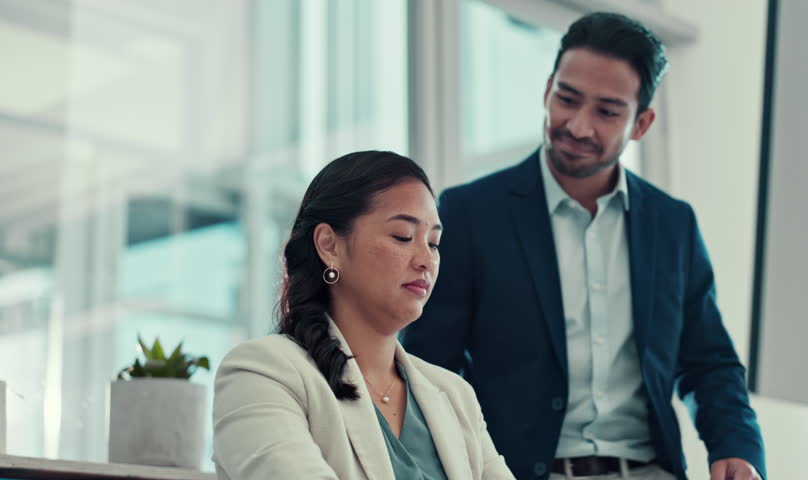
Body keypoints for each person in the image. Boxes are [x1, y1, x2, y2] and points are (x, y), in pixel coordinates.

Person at [401, 12, 765, 480]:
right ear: (547, 89)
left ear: (641, 123)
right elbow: (430, 371)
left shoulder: (672, 224)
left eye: (607, 111)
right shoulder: (472, 214)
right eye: (566, 99)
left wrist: (737, 448)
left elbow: (709, 363)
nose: (577, 125)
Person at [213, 151, 515, 480]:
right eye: (403, 236)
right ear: (329, 245)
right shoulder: (261, 373)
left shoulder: (456, 396)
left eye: (434, 242)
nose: (426, 259)